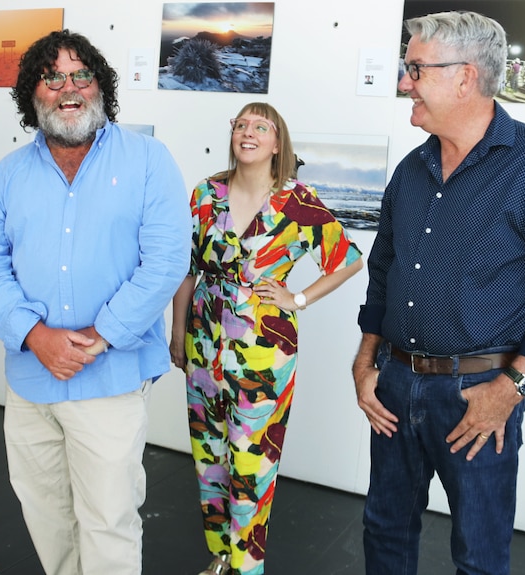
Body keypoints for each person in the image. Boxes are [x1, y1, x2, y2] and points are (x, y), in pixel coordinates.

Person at [0, 29, 191, 575]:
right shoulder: (9, 175)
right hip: (31, 378)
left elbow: (165, 262)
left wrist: (101, 336)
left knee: (108, 520)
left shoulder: (147, 160)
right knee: (47, 515)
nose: (68, 88)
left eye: (80, 75)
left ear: (99, 87)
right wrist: (35, 336)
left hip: (109, 378)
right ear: (32, 94)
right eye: (52, 77)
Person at [352, 12, 525, 575]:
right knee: (384, 533)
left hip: (480, 395)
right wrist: (367, 363)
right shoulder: (412, 170)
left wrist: (511, 389)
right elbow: (382, 272)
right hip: (394, 383)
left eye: (415, 68)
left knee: (479, 554)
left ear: (465, 78)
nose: (405, 81)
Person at [170, 102, 363, 575]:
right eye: (240, 125)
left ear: (278, 143)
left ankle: (247, 565)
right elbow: (187, 270)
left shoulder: (297, 202)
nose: (248, 132)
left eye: (261, 126)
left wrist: (296, 298)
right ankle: (220, 555)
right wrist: (178, 332)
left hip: (264, 351)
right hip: (202, 341)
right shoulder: (204, 194)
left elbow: (349, 259)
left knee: (251, 462)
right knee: (209, 454)